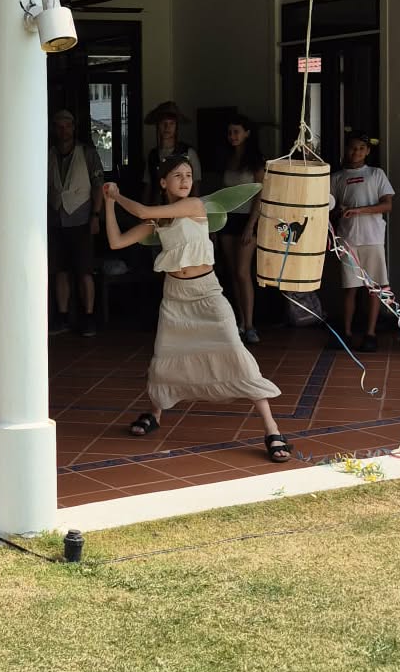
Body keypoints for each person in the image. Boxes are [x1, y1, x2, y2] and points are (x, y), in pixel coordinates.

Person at [102, 158, 291, 462]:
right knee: (165, 357)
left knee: (236, 352)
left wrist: (117, 194)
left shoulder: (194, 205)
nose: (184, 180)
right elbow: (116, 242)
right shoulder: (159, 221)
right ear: (163, 182)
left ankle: (272, 429)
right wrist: (109, 203)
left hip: (207, 293)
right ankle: (155, 414)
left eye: (188, 175)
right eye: (177, 175)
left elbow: (143, 210)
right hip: (175, 296)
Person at [330, 134, 395, 350]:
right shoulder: (337, 178)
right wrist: (340, 211)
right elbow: (328, 207)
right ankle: (347, 333)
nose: (356, 152)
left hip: (372, 238)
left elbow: (387, 205)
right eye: (352, 148)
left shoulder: (376, 174)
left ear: (367, 151)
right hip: (347, 238)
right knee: (350, 287)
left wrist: (359, 210)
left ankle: (370, 334)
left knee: (374, 287)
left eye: (361, 148)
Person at [48, 109, 103, 337]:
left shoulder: (87, 153)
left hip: (82, 219)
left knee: (84, 270)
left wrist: (95, 216)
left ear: (74, 127)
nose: (63, 131)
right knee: (59, 270)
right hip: (55, 220)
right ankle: (62, 317)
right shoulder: (48, 153)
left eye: (67, 126)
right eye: (59, 126)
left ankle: (89, 317)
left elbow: (98, 186)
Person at [216, 114, 267, 346]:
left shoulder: (256, 160)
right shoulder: (227, 158)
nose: (232, 136)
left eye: (236, 131)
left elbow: (260, 195)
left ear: (247, 133)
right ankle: (240, 321)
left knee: (242, 272)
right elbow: (223, 194)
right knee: (231, 272)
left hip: (248, 219)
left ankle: (250, 324)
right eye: (230, 132)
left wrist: (251, 225)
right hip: (228, 218)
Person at [142, 103, 202, 204]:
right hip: (157, 207)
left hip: (181, 206)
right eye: (163, 123)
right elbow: (148, 185)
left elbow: (195, 185)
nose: (167, 127)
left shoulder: (188, 152)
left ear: (176, 126)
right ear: (158, 125)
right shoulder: (152, 155)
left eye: (171, 123)